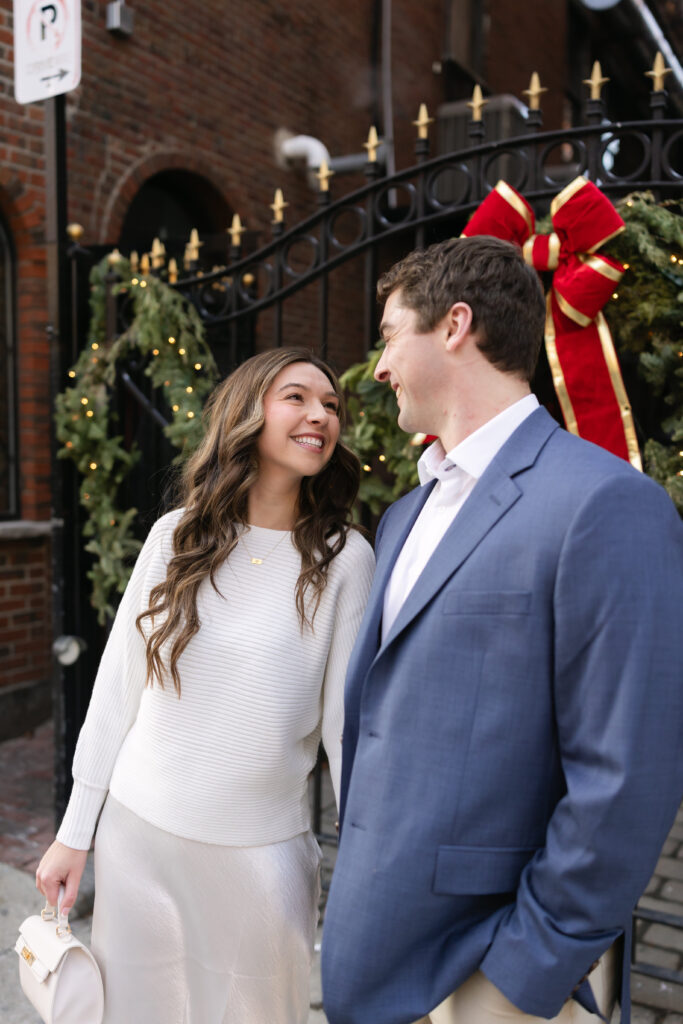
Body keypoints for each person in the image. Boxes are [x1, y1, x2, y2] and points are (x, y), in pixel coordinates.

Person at [321, 235, 683, 1024]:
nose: (377, 369)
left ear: (454, 325)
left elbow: (624, 777)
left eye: (388, 334)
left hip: (496, 967)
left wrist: (524, 973)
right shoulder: (403, 516)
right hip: (383, 939)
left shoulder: (604, 504)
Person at [36, 347, 375, 1024]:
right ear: (249, 413)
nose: (320, 416)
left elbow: (346, 729)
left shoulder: (345, 560)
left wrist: (369, 860)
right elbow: (117, 691)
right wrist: (76, 832)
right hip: (139, 839)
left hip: (262, 853)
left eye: (331, 405)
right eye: (297, 397)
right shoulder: (177, 537)